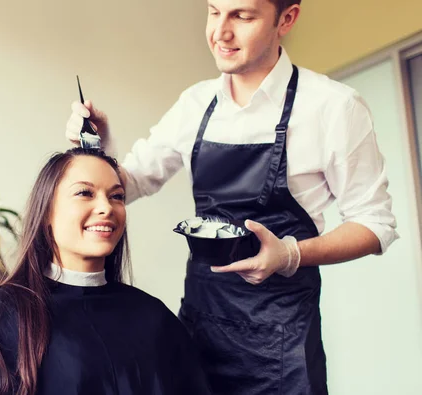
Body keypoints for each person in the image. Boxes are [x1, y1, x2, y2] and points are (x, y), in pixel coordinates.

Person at [64, 1, 398, 394]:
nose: (220, 32)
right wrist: (97, 147)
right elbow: (130, 182)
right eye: (213, 11)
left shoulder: (333, 106)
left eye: (242, 15)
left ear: (286, 19)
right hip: (200, 329)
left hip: (283, 345)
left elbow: (376, 225)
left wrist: (291, 255)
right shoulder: (195, 104)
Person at [0, 148, 212, 395]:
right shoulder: (3, 312)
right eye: (84, 193)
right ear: (47, 212)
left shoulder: (153, 317)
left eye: (117, 196)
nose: (106, 207)